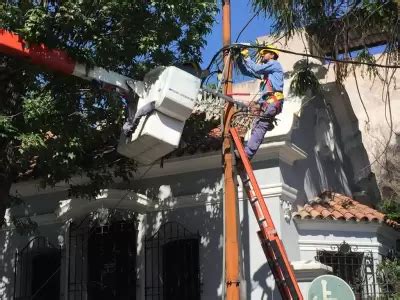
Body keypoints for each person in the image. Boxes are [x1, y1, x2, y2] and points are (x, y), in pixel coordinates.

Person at [236, 45, 284, 160]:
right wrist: (238, 58)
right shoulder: (266, 74)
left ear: (272, 55)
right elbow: (246, 71)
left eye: (265, 52)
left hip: (273, 101)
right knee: (256, 126)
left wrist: (246, 56)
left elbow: (256, 68)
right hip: (267, 103)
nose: (262, 54)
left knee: (260, 126)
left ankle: (247, 154)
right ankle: (247, 154)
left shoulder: (275, 64)